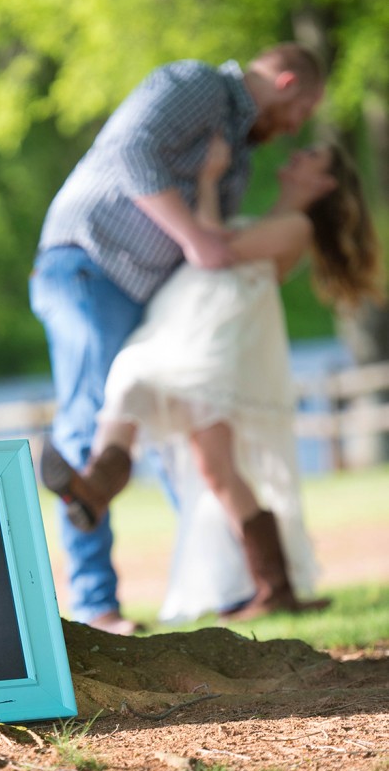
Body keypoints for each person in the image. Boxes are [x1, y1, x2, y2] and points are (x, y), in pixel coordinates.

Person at [30, 43, 325, 634]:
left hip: (146, 294)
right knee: (91, 418)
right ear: (287, 83)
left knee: (179, 442)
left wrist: (207, 202)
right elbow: (130, 151)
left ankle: (230, 586)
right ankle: (95, 605)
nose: (296, 128)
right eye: (303, 111)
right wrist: (192, 235)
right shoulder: (197, 85)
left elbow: (222, 245)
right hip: (92, 265)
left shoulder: (238, 152)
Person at [41, 138, 383, 622]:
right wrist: (208, 184)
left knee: (165, 412)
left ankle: (273, 585)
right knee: (191, 443)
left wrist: (206, 181)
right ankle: (95, 490)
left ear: (325, 184)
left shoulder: (296, 226)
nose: (296, 155)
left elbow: (214, 250)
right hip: (185, 331)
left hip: (215, 346)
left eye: (310, 158)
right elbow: (210, 240)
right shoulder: (267, 218)